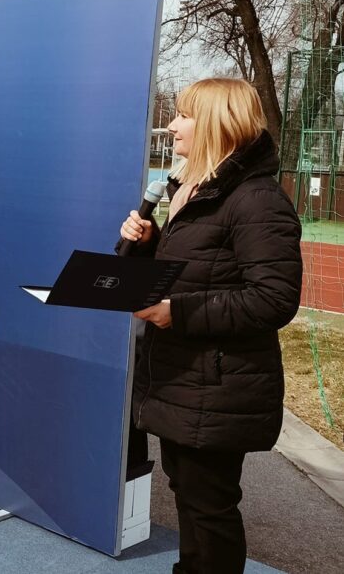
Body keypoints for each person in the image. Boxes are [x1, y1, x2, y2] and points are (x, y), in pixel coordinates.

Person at [119, 78, 302, 574]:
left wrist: (178, 312)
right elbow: (193, 272)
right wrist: (147, 243)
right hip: (183, 379)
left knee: (208, 509)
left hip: (218, 387)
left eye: (184, 115)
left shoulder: (257, 200)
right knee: (191, 500)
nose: (172, 126)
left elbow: (273, 299)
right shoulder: (193, 190)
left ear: (217, 124)